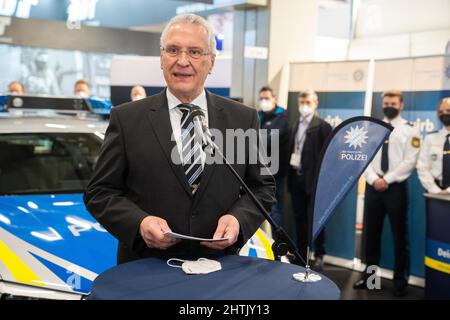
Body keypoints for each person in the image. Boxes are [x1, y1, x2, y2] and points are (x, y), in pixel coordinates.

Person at [84, 13, 275, 264]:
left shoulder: (242, 118)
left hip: (219, 269)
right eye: (173, 50)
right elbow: (99, 192)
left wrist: (238, 219)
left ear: (211, 61)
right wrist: (139, 223)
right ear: (162, 58)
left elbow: (263, 188)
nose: (182, 61)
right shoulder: (127, 119)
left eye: (195, 52)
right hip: (145, 268)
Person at [354, 89, 421, 297]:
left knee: (400, 236)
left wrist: (387, 180)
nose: (389, 105)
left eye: (393, 103)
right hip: (374, 187)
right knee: (371, 236)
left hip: (396, 189)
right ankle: (371, 279)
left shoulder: (411, 130)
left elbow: (410, 161)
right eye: (386, 102)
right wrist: (374, 179)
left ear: (401, 105)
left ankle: (400, 282)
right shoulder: (371, 128)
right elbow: (363, 157)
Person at [286, 90, 332, 267]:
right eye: (302, 102)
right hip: (296, 180)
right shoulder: (294, 125)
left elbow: (328, 157)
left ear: (315, 103)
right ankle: (301, 254)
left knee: (316, 219)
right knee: (299, 219)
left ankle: (319, 254)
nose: (304, 105)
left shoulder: (322, 126)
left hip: (314, 183)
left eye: (308, 102)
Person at [257, 86, 289, 232]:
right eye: (261, 98)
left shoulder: (283, 117)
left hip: (275, 172)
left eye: (267, 98)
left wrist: (255, 139)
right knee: (256, 208)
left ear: (275, 99)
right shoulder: (258, 115)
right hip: (258, 170)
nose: (264, 101)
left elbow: (271, 139)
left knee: (275, 210)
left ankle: (280, 246)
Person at [417, 97, 450, 194]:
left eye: (448, 110)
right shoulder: (430, 138)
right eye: (441, 112)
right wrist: (435, 190)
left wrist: (448, 191)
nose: (444, 114)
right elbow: (422, 167)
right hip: (434, 191)